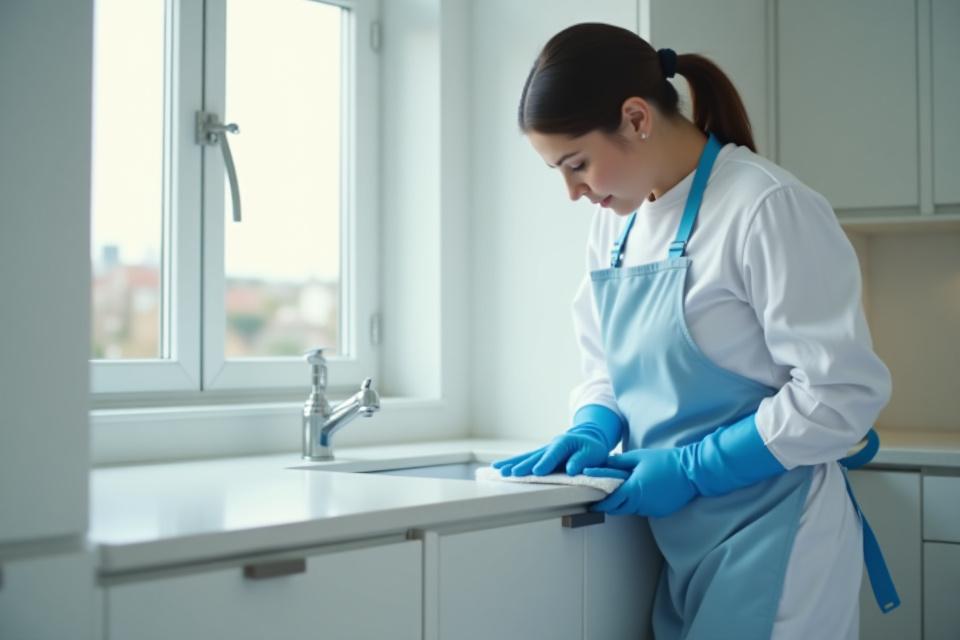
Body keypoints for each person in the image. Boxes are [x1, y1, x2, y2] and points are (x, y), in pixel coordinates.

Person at [491, 23, 899, 640]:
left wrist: (691, 468)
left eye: (577, 164)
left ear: (635, 118)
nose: (573, 192)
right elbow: (605, 364)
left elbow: (839, 395)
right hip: (685, 541)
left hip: (782, 535)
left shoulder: (764, 206)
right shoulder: (617, 226)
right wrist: (594, 421)